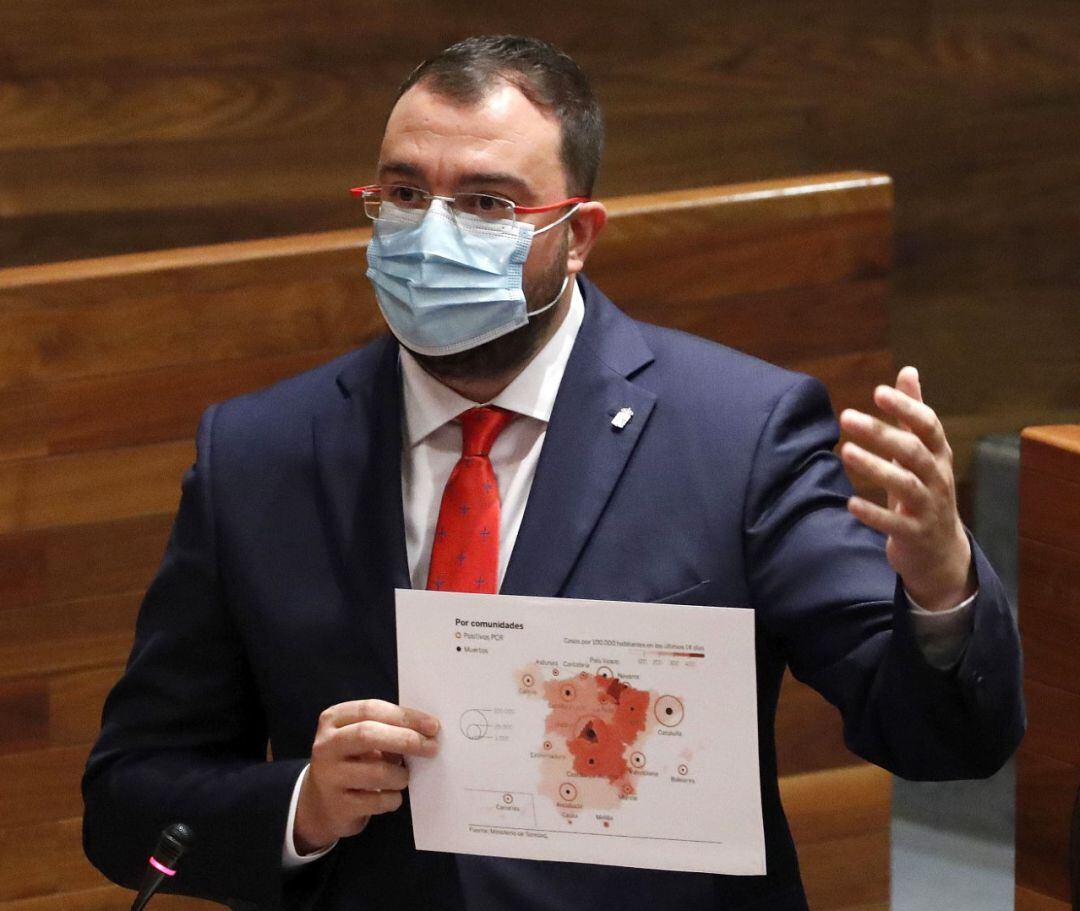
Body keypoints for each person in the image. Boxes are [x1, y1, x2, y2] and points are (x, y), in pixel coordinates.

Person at [82, 35, 1024, 911]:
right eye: (405, 194)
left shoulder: (737, 433)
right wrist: (302, 804)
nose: (433, 234)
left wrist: (941, 587)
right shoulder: (258, 452)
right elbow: (129, 799)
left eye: (488, 203)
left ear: (578, 235)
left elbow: (939, 737)